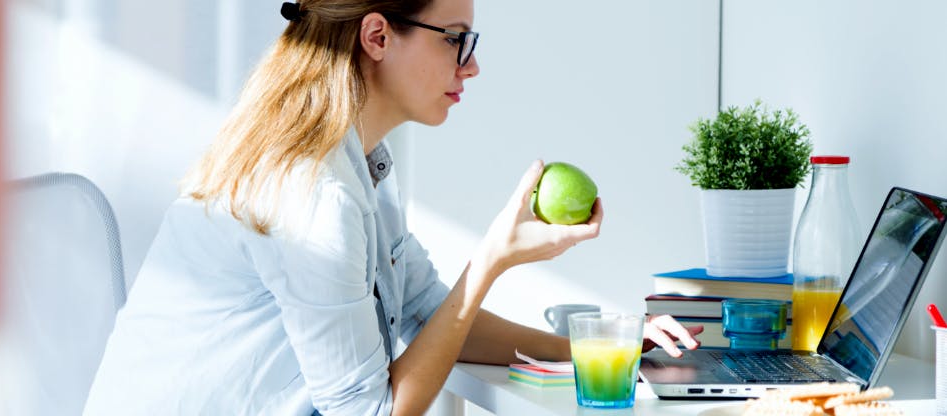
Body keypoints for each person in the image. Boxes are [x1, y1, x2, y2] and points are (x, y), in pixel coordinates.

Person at [84, 1, 702, 415]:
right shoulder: (314, 191)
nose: (474, 64)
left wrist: (604, 348)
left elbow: (425, 312)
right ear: (378, 36)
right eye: (457, 41)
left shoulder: (361, 164)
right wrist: (489, 261)